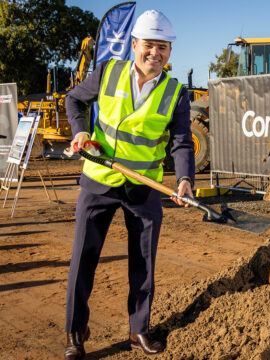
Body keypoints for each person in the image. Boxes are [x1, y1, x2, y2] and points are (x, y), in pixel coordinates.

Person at [63, 10, 194, 359]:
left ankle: (139, 331)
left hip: (143, 188)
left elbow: (182, 141)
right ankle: (75, 332)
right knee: (83, 259)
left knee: (144, 263)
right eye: (149, 45)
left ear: (170, 52)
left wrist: (183, 180)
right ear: (134, 45)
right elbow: (73, 100)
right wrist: (80, 131)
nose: (155, 53)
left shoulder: (176, 93)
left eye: (163, 47)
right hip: (99, 180)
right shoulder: (107, 72)